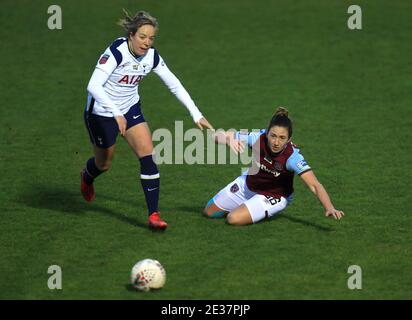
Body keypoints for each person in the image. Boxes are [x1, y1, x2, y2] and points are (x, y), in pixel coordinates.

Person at [80, 10, 214, 230]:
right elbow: (93, 86)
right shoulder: (116, 52)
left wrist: (196, 113)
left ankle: (153, 215)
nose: (146, 42)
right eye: (142, 36)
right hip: (102, 114)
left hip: (130, 108)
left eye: (151, 38)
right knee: (103, 164)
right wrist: (115, 112)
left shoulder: (151, 56)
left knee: (148, 155)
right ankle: (87, 176)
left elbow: (174, 84)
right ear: (131, 35)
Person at [204, 107, 344, 225]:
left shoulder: (293, 157)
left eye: (282, 138)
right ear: (267, 132)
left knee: (233, 218)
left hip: (274, 195)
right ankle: (247, 205)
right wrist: (228, 140)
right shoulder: (257, 137)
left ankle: (259, 208)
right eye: (273, 135)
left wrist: (329, 207)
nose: (276, 142)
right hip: (249, 183)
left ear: (289, 139)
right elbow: (215, 137)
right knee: (209, 212)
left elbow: (315, 185)